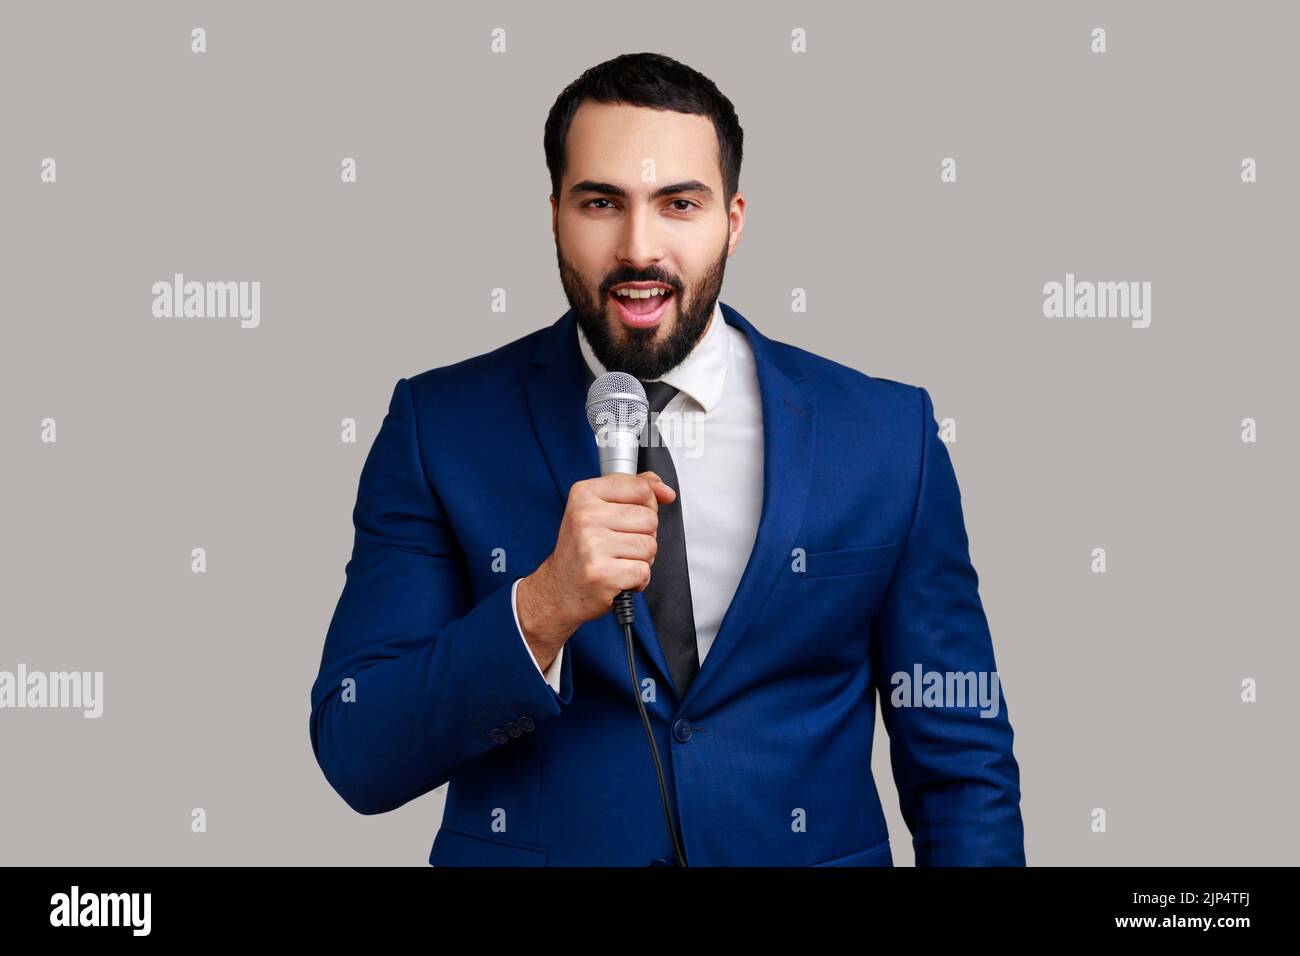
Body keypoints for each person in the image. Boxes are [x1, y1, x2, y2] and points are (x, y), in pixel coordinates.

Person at [308, 52, 1025, 867]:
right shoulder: (440, 427)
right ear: (553, 216)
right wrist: (541, 608)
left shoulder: (886, 435)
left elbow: (962, 764)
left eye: (679, 203)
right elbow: (358, 750)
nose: (638, 247)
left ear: (735, 218)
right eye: (601, 202)